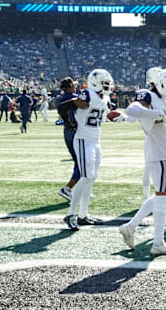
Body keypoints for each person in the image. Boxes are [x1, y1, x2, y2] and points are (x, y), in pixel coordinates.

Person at [116, 69, 166, 256]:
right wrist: (159, 114)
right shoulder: (149, 95)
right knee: (162, 198)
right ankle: (158, 243)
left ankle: (130, 226)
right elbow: (132, 110)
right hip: (159, 154)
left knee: (161, 195)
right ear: (162, 83)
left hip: (164, 152)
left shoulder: (164, 101)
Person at [64, 69, 114, 231]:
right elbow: (74, 104)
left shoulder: (104, 98)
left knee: (92, 178)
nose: (107, 86)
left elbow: (108, 114)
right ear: (95, 83)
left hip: (95, 140)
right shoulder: (87, 93)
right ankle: (71, 214)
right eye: (104, 83)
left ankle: (83, 215)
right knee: (86, 176)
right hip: (83, 139)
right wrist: (69, 118)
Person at [56, 78, 81, 202]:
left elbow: (60, 116)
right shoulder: (76, 97)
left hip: (67, 131)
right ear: (70, 86)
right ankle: (67, 188)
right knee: (81, 163)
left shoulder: (60, 99)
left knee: (78, 161)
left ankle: (80, 189)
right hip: (76, 131)